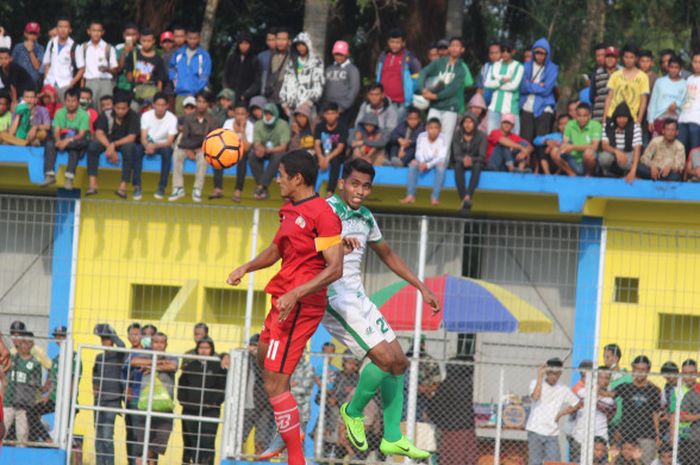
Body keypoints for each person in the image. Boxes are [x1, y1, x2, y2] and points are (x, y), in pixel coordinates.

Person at [226, 149, 343, 465]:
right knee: (268, 366)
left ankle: (296, 456)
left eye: (280, 175)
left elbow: (334, 268)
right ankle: (291, 421)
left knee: (274, 382)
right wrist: (246, 267)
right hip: (281, 298)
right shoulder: (290, 210)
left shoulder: (323, 215)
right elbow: (277, 248)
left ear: (297, 178)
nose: (277, 180)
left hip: (300, 304)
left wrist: (297, 294)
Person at [178, 337, 227, 465]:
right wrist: (186, 403)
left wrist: (214, 403)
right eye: (201, 348)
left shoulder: (217, 366)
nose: (204, 351)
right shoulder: (191, 366)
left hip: (210, 411)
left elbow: (223, 387)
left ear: (212, 349)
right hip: (190, 411)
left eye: (207, 348)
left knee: (207, 442)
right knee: (192, 441)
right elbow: (182, 385)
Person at [130, 332, 177, 465]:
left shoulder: (172, 357)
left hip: (164, 408)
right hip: (145, 406)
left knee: (157, 444)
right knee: (142, 445)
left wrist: (150, 366)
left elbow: (173, 366)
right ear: (151, 344)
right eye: (156, 342)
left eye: (162, 342)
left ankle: (149, 458)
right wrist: (159, 362)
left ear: (166, 344)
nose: (159, 345)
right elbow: (134, 361)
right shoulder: (144, 355)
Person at [418, 36, 472, 149]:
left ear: (462, 49)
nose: (454, 48)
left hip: (451, 108)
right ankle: (427, 163)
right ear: (449, 48)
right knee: (430, 135)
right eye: (452, 45)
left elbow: (453, 89)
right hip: (435, 107)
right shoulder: (439, 63)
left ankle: (441, 164)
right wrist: (423, 89)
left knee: (445, 140)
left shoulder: (461, 69)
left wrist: (434, 96)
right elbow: (424, 72)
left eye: (457, 46)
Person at [525, 358, 581, 465]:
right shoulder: (535, 383)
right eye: (551, 373)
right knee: (535, 462)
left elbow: (578, 404)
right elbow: (535, 397)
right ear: (547, 372)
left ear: (560, 373)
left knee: (554, 463)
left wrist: (561, 414)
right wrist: (540, 377)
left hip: (552, 433)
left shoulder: (563, 389)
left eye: (557, 374)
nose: (554, 376)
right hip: (535, 429)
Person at [87, 91, 140, 196]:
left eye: (123, 108)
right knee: (92, 147)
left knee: (129, 149)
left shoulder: (133, 116)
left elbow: (131, 137)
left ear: (128, 107)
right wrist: (109, 147)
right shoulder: (106, 114)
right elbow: (99, 133)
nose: (120, 111)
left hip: (124, 142)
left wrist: (113, 145)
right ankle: (93, 184)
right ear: (114, 106)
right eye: (117, 108)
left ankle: (123, 186)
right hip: (108, 141)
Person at [612, 355, 661, 465]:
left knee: (645, 462)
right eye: (637, 369)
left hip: (647, 435)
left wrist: (657, 435)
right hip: (626, 434)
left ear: (648, 371)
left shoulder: (654, 390)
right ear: (633, 370)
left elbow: (655, 413)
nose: (640, 372)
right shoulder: (625, 387)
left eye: (643, 370)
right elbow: (609, 395)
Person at [169, 91, 218, 203]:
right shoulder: (188, 118)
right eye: (199, 101)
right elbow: (184, 137)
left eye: (204, 102)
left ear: (208, 104)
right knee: (177, 154)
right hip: (188, 146)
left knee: (203, 157)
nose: (201, 104)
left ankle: (197, 189)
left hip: (203, 148)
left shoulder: (213, 120)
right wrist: (188, 149)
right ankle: (178, 187)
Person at [428, 356, 476, 465]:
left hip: (452, 430)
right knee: (466, 458)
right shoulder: (467, 383)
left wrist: (439, 421)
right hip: (468, 427)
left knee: (452, 459)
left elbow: (434, 407)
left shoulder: (448, 384)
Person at [41, 87, 90, 189]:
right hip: (62, 137)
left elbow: (81, 134)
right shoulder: (59, 112)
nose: (70, 103)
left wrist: (67, 141)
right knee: (50, 143)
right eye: (68, 101)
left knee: (75, 147)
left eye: (73, 101)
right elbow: (56, 130)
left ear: (77, 101)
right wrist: (58, 141)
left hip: (76, 139)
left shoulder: (84, 115)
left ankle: (69, 178)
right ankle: (49, 175)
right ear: (64, 101)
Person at [92, 324, 126, 465]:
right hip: (99, 400)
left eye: (106, 339)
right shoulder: (99, 357)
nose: (104, 341)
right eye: (102, 339)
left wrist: (111, 334)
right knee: (98, 437)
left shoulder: (119, 356)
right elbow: (95, 375)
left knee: (107, 437)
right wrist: (95, 389)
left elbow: (122, 346)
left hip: (112, 400)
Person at [3, 332, 42, 444]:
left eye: (28, 342)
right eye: (23, 342)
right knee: (2, 431)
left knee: (22, 434)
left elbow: (37, 385)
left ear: (32, 344)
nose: (24, 345)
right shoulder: (12, 359)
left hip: (24, 405)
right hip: (8, 402)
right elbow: (3, 375)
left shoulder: (35, 364)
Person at [570, 368, 615, 462]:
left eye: (607, 378)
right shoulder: (582, 392)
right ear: (595, 378)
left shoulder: (610, 400)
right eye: (601, 377)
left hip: (601, 438)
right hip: (581, 437)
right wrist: (595, 391)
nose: (604, 381)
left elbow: (610, 415)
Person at [400, 117, 447, 205]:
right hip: (423, 160)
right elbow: (418, 152)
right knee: (412, 164)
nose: (433, 130)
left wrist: (428, 165)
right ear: (426, 128)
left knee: (441, 168)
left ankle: (435, 197)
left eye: (436, 128)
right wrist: (421, 162)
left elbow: (441, 157)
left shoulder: (443, 138)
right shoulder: (421, 136)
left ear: (440, 129)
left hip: (436, 161)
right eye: (431, 128)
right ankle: (410, 196)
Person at [519, 38, 558, 144]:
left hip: (544, 107)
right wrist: (538, 86)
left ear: (547, 54)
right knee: (525, 140)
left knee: (541, 141)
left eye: (543, 53)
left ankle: (542, 161)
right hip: (527, 106)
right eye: (537, 52)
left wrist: (530, 85)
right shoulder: (525, 66)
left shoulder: (553, 68)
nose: (540, 55)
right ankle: (525, 160)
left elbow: (547, 90)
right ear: (533, 52)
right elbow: (522, 87)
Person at [241, 334, 274, 455]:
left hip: (264, 407)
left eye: (257, 346)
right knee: (237, 441)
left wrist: (256, 353)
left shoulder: (269, 361)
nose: (253, 348)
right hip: (245, 406)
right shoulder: (242, 359)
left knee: (261, 443)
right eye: (252, 345)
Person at [140, 92, 178, 199]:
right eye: (158, 104)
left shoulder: (172, 118)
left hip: (162, 145)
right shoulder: (146, 116)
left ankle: (162, 186)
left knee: (167, 152)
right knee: (136, 150)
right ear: (153, 105)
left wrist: (153, 146)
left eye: (163, 105)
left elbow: (169, 142)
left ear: (167, 106)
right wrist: (147, 146)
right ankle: (137, 185)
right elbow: (143, 138)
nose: (160, 108)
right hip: (148, 144)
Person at [374, 28, 422, 113]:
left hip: (401, 103)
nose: (394, 45)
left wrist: (409, 94)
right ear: (388, 42)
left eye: (397, 42)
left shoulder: (410, 58)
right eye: (392, 42)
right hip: (383, 101)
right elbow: (378, 76)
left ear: (403, 43)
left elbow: (418, 78)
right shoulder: (383, 56)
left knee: (397, 126)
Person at [215, 102, 253, 201]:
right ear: (234, 114)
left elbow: (247, 148)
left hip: (243, 152)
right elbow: (223, 141)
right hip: (229, 150)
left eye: (242, 114)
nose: (240, 116)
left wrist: (242, 130)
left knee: (242, 157)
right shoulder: (228, 123)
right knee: (218, 156)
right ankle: (218, 189)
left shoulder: (250, 126)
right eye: (238, 114)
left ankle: (238, 191)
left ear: (247, 115)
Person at [279, 32, 325, 115]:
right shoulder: (291, 63)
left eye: (303, 45)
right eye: (298, 45)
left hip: (308, 108)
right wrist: (284, 104)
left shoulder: (317, 62)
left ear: (308, 45)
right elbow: (285, 83)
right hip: (291, 108)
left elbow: (319, 85)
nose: (300, 48)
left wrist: (309, 103)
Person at [484, 39, 524, 133]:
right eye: (503, 50)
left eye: (508, 50)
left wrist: (496, 83)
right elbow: (486, 84)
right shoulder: (495, 65)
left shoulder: (519, 66)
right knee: (492, 138)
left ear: (513, 51)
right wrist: (502, 81)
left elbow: (513, 86)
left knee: (512, 140)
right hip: (494, 108)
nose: (505, 53)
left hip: (510, 109)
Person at [603, 45, 650, 126]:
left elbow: (643, 100)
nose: (628, 60)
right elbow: (609, 97)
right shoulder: (615, 75)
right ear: (622, 58)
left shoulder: (643, 77)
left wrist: (639, 120)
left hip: (631, 118)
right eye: (626, 57)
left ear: (636, 59)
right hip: (612, 116)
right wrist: (604, 119)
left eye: (631, 57)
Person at [169, 28, 211, 115]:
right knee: (180, 121)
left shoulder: (204, 56)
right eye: (190, 38)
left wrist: (195, 91)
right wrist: (175, 82)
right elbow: (172, 67)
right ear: (186, 38)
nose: (192, 41)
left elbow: (205, 76)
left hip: (196, 95)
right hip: (180, 93)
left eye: (195, 38)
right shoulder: (179, 53)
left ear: (199, 39)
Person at [551, 102, 601, 176]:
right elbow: (565, 143)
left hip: (588, 162)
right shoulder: (570, 124)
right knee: (554, 151)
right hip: (573, 160)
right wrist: (562, 148)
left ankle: (588, 175)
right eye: (579, 116)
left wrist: (573, 147)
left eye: (585, 116)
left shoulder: (596, 125)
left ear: (590, 116)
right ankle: (572, 175)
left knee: (588, 153)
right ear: (576, 115)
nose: (581, 118)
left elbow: (594, 146)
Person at [43, 17, 85, 102]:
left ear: (70, 30)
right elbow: (47, 64)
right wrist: (46, 80)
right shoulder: (51, 43)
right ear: (57, 28)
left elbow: (82, 69)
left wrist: (71, 83)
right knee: (49, 111)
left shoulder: (75, 46)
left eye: (66, 27)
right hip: (50, 83)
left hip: (65, 84)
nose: (63, 30)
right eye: (60, 26)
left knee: (64, 111)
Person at [322, 40, 360, 129]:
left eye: (341, 54)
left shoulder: (352, 69)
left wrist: (342, 107)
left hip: (344, 110)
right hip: (328, 109)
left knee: (340, 133)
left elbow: (354, 90)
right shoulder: (329, 69)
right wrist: (323, 107)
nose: (338, 57)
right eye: (336, 54)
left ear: (347, 54)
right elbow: (324, 89)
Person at [453, 111, 487, 212]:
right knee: (458, 166)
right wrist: (463, 159)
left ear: (475, 123)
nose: (467, 125)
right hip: (461, 161)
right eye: (465, 122)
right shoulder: (457, 134)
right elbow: (456, 154)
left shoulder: (482, 136)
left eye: (470, 122)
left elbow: (482, 156)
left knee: (477, 167)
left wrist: (471, 159)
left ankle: (468, 196)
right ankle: (464, 198)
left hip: (476, 161)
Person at [600, 102, 643, 181]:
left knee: (625, 163)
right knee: (604, 158)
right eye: (619, 117)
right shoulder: (608, 126)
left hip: (629, 152)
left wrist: (633, 171)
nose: (622, 120)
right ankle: (607, 174)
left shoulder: (635, 127)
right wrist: (617, 152)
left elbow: (637, 149)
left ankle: (630, 173)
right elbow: (604, 145)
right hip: (613, 151)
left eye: (624, 117)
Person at [125, 28, 167, 109]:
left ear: (154, 41)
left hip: (151, 94)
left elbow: (160, 80)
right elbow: (128, 72)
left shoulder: (158, 59)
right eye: (144, 41)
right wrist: (134, 79)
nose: (146, 43)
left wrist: (158, 97)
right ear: (140, 40)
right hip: (136, 93)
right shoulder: (133, 55)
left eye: (149, 41)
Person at [313, 102, 347, 197]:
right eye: (328, 113)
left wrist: (327, 158)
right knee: (312, 160)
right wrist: (320, 157)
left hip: (336, 154)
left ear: (337, 114)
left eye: (333, 113)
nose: (330, 116)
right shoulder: (319, 126)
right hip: (322, 152)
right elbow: (316, 143)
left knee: (335, 162)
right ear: (324, 115)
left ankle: (330, 191)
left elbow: (340, 147)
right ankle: (311, 188)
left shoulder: (342, 127)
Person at [81, 20, 117, 106]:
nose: (96, 33)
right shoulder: (84, 47)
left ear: (102, 32)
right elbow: (81, 70)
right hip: (90, 82)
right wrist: (82, 88)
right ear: (88, 31)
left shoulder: (108, 48)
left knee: (107, 108)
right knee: (89, 108)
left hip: (105, 82)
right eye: (94, 30)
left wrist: (107, 69)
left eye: (99, 31)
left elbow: (115, 70)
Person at [647, 55, 685, 137]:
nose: (673, 70)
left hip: (676, 121)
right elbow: (653, 102)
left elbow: (686, 102)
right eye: (671, 67)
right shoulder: (660, 82)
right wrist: (650, 120)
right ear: (668, 67)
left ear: (680, 69)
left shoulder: (685, 84)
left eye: (676, 67)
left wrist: (677, 105)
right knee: (657, 146)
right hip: (659, 118)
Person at [122, 323, 143, 465]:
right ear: (128, 336)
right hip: (128, 400)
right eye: (132, 334)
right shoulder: (126, 354)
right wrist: (125, 387)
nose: (135, 337)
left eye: (137, 334)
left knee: (137, 434)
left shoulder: (146, 353)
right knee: (129, 433)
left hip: (139, 398)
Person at [223, 31, 260, 105]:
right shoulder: (232, 58)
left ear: (250, 44)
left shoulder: (255, 60)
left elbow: (257, 82)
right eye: (241, 43)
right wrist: (227, 91)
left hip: (246, 99)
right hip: (230, 97)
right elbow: (225, 76)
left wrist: (245, 95)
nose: (243, 46)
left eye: (246, 43)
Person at [679, 52, 700, 159]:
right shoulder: (689, 79)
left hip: (697, 121)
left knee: (695, 150)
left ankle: (695, 174)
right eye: (695, 62)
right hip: (683, 119)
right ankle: (680, 174)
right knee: (680, 149)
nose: (697, 65)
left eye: (699, 62)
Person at [12, 22, 45, 91]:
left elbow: (37, 66)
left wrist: (30, 51)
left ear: (38, 35)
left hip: (33, 82)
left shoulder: (40, 48)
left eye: (34, 34)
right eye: (30, 33)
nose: (32, 36)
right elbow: (13, 65)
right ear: (25, 33)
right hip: (19, 81)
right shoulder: (18, 47)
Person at [263, 28, 291, 105]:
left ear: (289, 41)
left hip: (286, 99)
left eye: (283, 39)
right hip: (271, 97)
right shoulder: (273, 55)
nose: (280, 42)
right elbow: (269, 75)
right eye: (278, 39)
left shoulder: (293, 57)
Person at [592, 47, 620, 122]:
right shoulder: (597, 74)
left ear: (617, 59)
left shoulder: (622, 74)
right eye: (607, 57)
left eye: (613, 57)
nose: (610, 59)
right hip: (599, 115)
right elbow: (592, 95)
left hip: (617, 116)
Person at [114, 23, 140, 95]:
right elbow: (118, 69)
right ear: (124, 36)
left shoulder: (141, 49)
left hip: (138, 85)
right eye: (128, 35)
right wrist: (125, 52)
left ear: (138, 36)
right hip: (122, 86)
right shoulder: (118, 49)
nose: (131, 37)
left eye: (134, 35)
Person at [477, 41, 501, 105]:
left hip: (499, 102)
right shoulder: (485, 67)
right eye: (491, 53)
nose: (494, 55)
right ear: (488, 54)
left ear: (501, 53)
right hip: (485, 102)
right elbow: (480, 86)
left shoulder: (505, 67)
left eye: (496, 53)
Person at [257, 28, 277, 95]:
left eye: (273, 40)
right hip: (264, 92)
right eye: (269, 40)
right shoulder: (261, 56)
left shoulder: (285, 56)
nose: (271, 42)